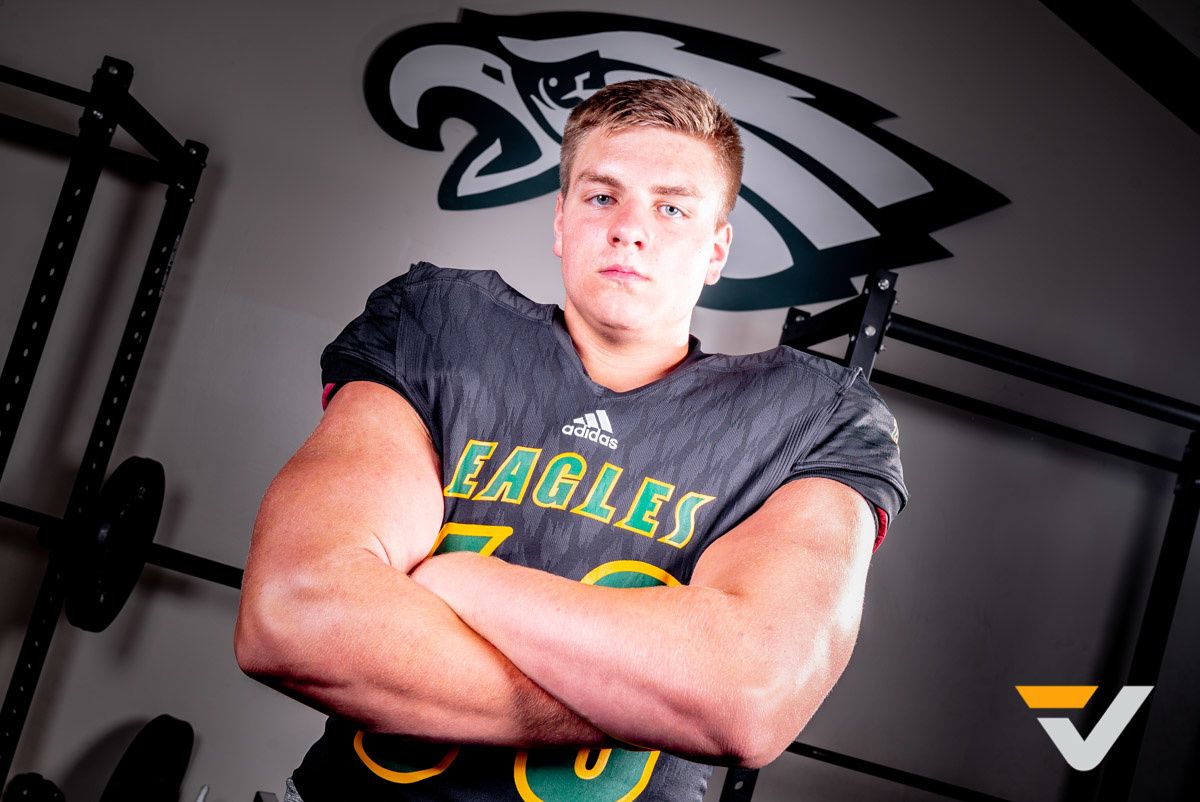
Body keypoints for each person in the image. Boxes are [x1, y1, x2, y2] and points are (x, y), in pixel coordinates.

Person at [235, 78, 907, 802]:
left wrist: (461, 579)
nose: (629, 229)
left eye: (672, 207)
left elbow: (749, 699)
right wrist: (645, 701)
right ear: (560, 220)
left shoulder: (817, 420)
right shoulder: (437, 326)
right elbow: (293, 615)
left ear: (716, 249)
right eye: (601, 196)